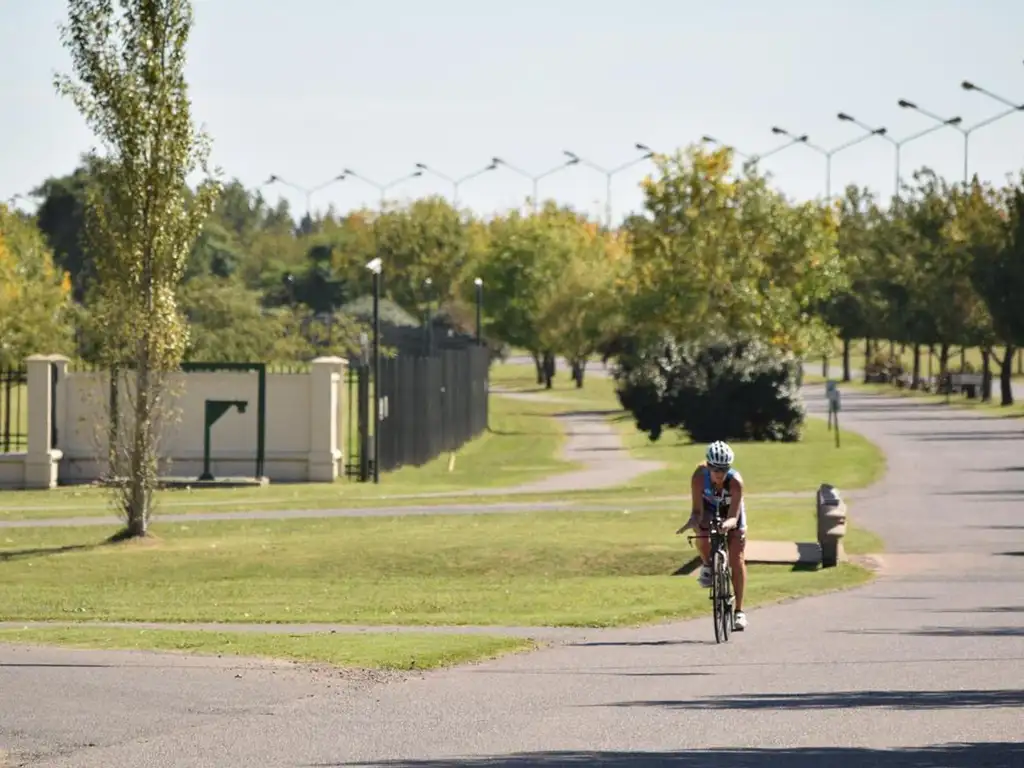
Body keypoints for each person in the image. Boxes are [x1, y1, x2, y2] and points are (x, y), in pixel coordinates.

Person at [685, 440, 748, 631]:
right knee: (701, 531)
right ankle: (707, 565)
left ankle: (739, 611)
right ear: (708, 466)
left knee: (736, 558)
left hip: (732, 512)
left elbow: (733, 517)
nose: (719, 474)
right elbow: (697, 511)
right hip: (709, 508)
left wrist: (728, 526)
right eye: (715, 469)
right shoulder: (698, 477)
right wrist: (692, 522)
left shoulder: (735, 481)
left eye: (724, 469)